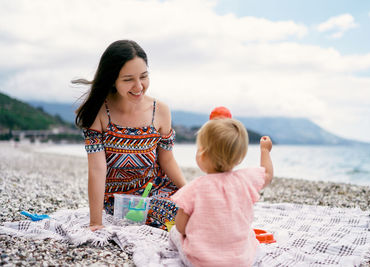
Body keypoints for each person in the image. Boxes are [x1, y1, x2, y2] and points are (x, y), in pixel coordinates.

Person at [73, 40, 187, 231]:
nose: (138, 86)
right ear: (112, 80)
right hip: (118, 199)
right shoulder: (99, 113)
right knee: (163, 220)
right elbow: (97, 169)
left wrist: (189, 192)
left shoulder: (160, 111)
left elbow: (167, 160)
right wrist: (95, 222)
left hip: (156, 189)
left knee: (192, 211)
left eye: (143, 76)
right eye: (128, 79)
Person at [170, 118, 273, 267]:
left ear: (202, 155)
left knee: (175, 232)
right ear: (240, 156)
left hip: (200, 262)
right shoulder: (245, 179)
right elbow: (268, 175)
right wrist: (265, 151)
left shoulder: (194, 189)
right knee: (251, 238)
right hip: (241, 261)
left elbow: (181, 226)